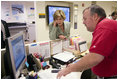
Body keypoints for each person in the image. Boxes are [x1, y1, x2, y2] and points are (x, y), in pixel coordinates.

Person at [57, 5, 117, 79]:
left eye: (85, 19)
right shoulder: (105, 25)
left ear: (95, 16)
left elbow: (95, 57)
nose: (83, 22)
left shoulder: (105, 27)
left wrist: (69, 69)